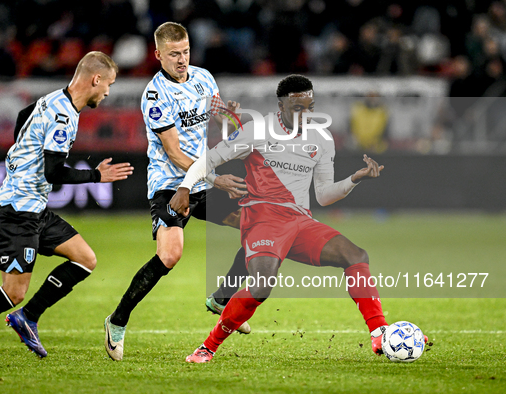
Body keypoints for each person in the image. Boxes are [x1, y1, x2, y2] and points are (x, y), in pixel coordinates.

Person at [170, 74, 427, 363]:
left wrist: (355, 178)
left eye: (310, 106)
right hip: (262, 218)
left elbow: (325, 196)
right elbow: (208, 160)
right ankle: (207, 347)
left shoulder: (321, 138)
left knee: (356, 256)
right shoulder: (257, 130)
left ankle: (380, 332)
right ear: (280, 105)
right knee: (261, 286)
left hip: (300, 221)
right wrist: (184, 188)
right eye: (297, 107)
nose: (306, 113)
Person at [0, 51, 133, 373]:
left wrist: (21, 154)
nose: (107, 93)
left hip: (34, 208)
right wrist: (96, 176)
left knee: (85, 259)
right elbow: (53, 172)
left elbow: (24, 115)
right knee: (12, 292)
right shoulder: (65, 117)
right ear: (95, 80)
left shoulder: (51, 99)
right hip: (17, 212)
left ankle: (28, 317)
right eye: (108, 85)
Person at [104, 21, 250, 361]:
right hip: (171, 186)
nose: (181, 59)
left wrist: (231, 120)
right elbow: (174, 153)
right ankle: (117, 321)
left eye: (185, 52)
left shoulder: (203, 77)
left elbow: (217, 116)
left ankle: (221, 298)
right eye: (173, 54)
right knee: (169, 255)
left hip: (203, 180)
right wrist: (216, 179)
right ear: (158, 55)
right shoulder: (155, 96)